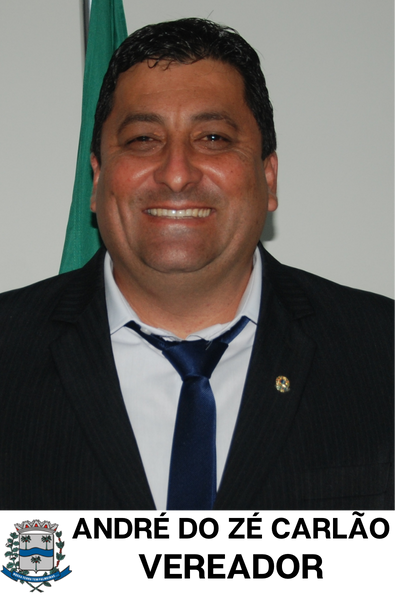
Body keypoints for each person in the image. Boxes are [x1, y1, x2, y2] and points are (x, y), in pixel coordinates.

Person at [0, 18, 394, 513]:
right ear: (97, 181)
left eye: (212, 138)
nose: (177, 174)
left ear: (268, 177)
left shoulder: (383, 351)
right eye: (143, 139)